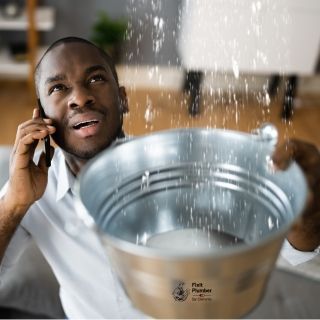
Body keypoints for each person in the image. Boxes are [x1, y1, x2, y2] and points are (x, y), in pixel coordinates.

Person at [0, 37, 319, 318]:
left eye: (96, 78)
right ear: (41, 116)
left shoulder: (176, 168)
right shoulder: (30, 192)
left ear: (123, 98)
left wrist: (308, 201)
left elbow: (299, 252)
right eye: (58, 87)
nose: (80, 97)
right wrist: (14, 204)